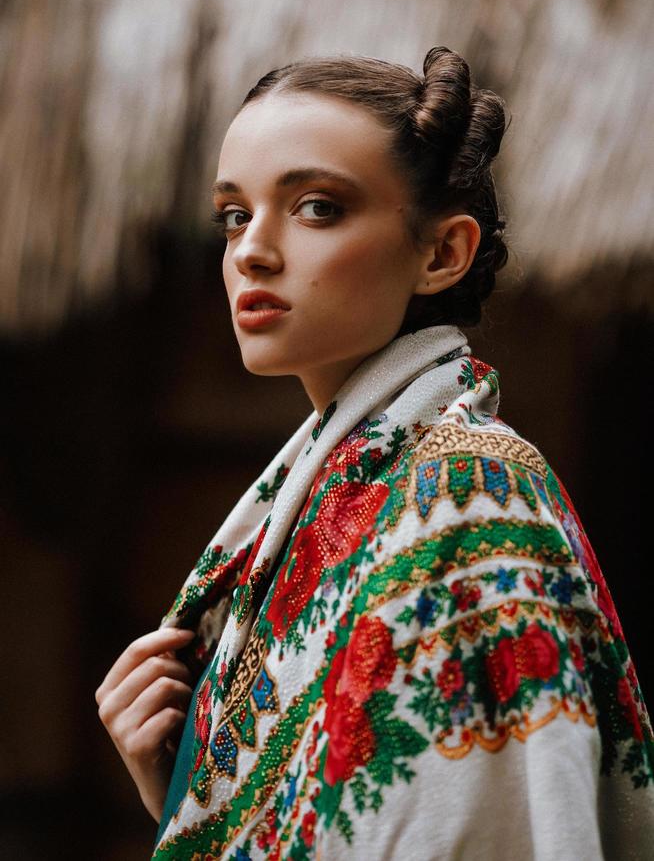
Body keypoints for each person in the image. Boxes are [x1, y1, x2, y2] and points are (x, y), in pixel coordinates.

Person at [96, 46, 654, 859]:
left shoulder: (466, 491)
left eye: (317, 207)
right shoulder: (328, 502)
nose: (251, 249)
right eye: (233, 215)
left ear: (441, 254)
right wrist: (185, 788)